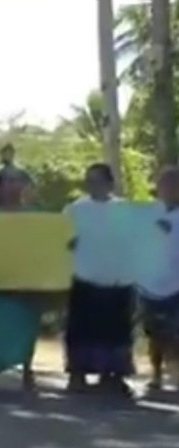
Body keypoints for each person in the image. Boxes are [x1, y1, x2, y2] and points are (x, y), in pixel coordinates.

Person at [62, 163, 135, 395]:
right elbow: (63, 240)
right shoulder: (75, 209)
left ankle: (112, 375)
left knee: (115, 330)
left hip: (117, 279)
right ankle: (78, 374)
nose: (92, 185)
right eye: (89, 180)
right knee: (81, 328)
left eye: (97, 180)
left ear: (110, 183)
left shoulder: (124, 210)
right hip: (85, 276)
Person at [0, 170, 42, 390]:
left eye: (17, 182)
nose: (12, 186)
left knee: (26, 325)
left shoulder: (37, 216)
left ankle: (27, 370)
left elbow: (47, 244)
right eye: (7, 182)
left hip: (25, 278)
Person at [139, 166, 179, 390]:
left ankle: (176, 374)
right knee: (153, 332)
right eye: (164, 184)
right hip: (150, 283)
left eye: (174, 185)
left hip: (176, 284)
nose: (168, 189)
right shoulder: (149, 212)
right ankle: (156, 375)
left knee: (175, 331)